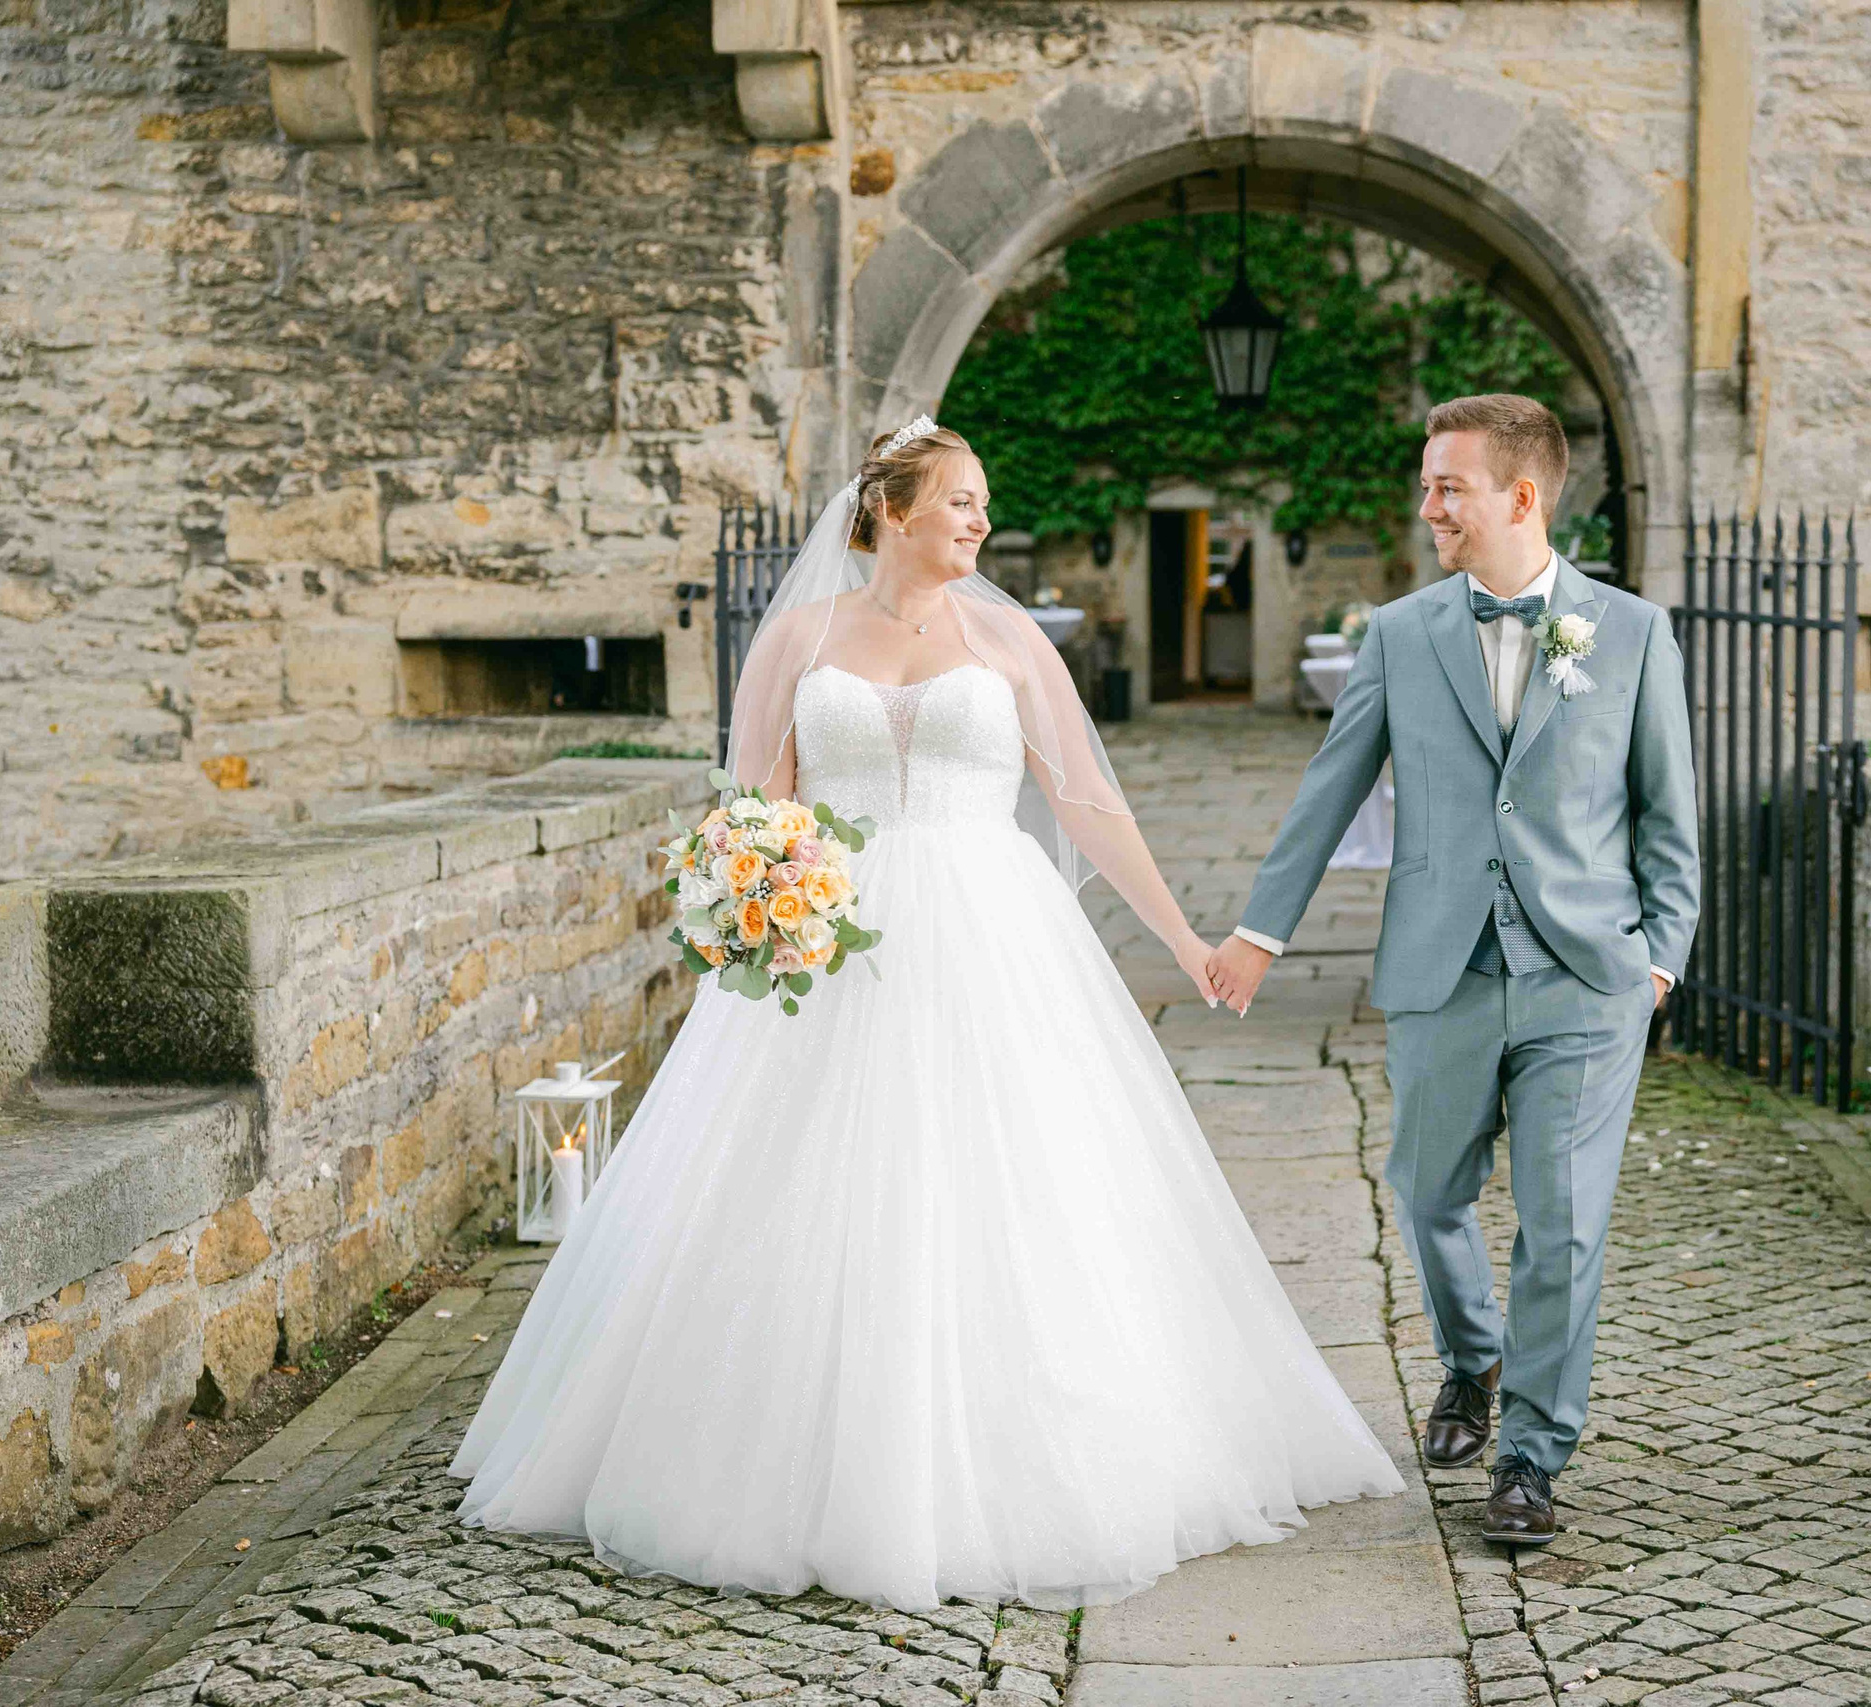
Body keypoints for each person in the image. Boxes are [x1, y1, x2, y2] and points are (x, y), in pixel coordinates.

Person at [449, 418, 1402, 1614]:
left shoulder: (1006, 642)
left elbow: (1087, 802)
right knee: (801, 1187)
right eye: (960, 501)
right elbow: (753, 810)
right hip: (831, 947)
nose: (980, 521)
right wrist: (752, 900)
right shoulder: (796, 638)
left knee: (1011, 1187)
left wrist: (1184, 939)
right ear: (892, 510)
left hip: (991, 937)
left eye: (983, 504)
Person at [1206, 393, 1701, 1545]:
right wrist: (1257, 935)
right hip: (1441, 967)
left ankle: (1531, 1454)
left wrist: (1658, 963)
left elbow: (1668, 821)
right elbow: (1329, 788)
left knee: (1562, 1221)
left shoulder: (1630, 634)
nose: (1426, 505)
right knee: (1426, 1192)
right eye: (1427, 484)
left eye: (1447, 486)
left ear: (1520, 498)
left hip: (1588, 976)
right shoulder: (1402, 631)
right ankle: (1470, 1360)